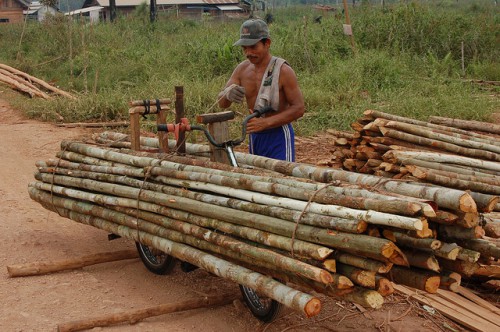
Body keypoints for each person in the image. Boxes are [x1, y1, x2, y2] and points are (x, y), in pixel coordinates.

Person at [218, 19, 305, 162]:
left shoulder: (283, 70)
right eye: (244, 48)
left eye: (253, 47)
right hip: (255, 135)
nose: (248, 52)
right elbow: (222, 103)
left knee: (281, 178)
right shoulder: (242, 70)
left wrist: (266, 123)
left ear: (267, 43)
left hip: (278, 135)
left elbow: (299, 108)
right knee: (258, 176)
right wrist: (227, 94)